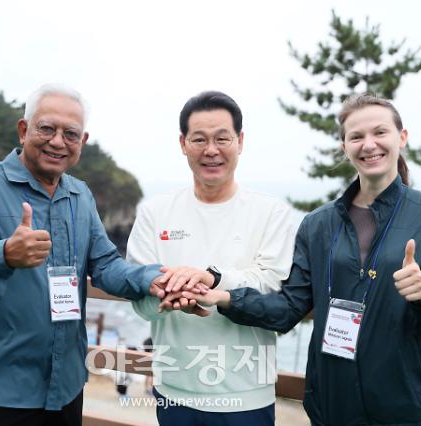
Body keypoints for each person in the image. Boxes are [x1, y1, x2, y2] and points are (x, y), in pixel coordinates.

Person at [184, 94, 421, 426]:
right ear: (344, 146)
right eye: (356, 136)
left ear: (402, 137)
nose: (369, 144)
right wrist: (226, 298)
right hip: (334, 409)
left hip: (410, 411)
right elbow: (288, 308)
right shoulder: (319, 224)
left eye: (380, 132)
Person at [0, 84, 166, 426]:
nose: (57, 141)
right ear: (24, 130)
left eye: (70, 133)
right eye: (47, 128)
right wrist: (4, 254)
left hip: (65, 385)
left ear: (82, 143)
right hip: (0, 388)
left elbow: (107, 266)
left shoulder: (80, 195)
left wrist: (153, 278)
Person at [126, 91, 296, 425]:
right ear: (183, 143)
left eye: (222, 138)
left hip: (247, 393)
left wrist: (212, 280)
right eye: (199, 139)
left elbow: (273, 286)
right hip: (175, 387)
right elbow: (138, 295)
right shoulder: (155, 212)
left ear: (240, 141)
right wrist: (167, 297)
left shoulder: (270, 212)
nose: (211, 150)